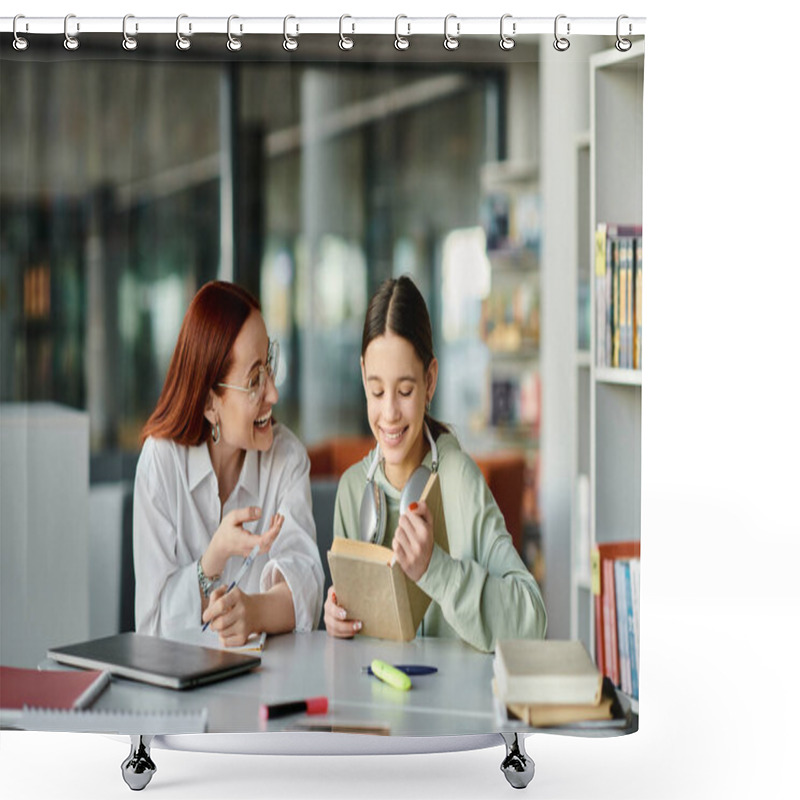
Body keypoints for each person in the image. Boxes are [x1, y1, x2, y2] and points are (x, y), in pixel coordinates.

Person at [324, 275, 546, 653]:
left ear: (430, 381)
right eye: (377, 391)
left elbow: (532, 620)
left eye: (406, 390)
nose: (390, 412)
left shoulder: (460, 481)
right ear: (362, 377)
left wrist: (436, 570)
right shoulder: (352, 491)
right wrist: (336, 620)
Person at [133, 281, 323, 645]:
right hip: (177, 693)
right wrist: (213, 560)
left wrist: (252, 612)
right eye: (254, 380)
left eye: (269, 365)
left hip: (267, 684)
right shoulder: (160, 464)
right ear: (209, 404)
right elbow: (151, 627)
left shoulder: (287, 459)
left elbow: (306, 588)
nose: (273, 393)